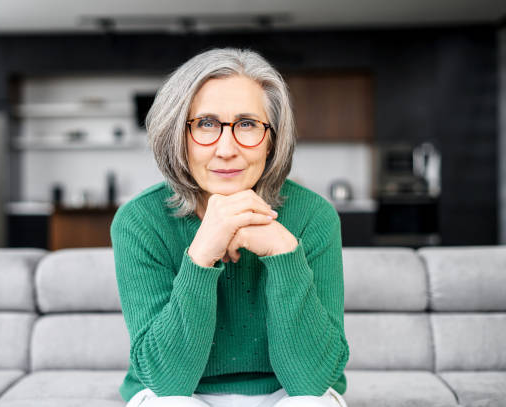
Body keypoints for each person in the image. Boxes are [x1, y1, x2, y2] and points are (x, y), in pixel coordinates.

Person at [110, 47, 350, 407]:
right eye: (206, 124)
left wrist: (284, 254)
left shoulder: (314, 216)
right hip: (181, 393)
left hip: (286, 392)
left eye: (248, 124)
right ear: (178, 135)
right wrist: (202, 252)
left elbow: (312, 382)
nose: (226, 149)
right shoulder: (139, 221)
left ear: (272, 140)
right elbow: (166, 382)